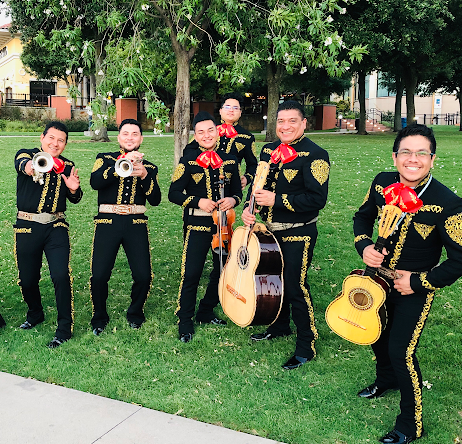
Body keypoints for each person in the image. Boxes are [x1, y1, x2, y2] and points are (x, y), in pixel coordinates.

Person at [353, 124, 462, 444]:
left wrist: (419, 281)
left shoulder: (447, 202)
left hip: (414, 289)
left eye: (422, 153)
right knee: (375, 333)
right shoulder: (381, 184)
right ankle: (386, 379)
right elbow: (361, 218)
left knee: (401, 350)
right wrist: (364, 245)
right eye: (406, 152)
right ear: (395, 157)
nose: (413, 159)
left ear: (432, 159)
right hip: (376, 279)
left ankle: (411, 423)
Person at [242, 100, 328, 370]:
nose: (286, 126)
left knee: (294, 285)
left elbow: (317, 199)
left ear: (304, 123)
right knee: (272, 282)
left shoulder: (316, 154)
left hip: (298, 232)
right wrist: (249, 207)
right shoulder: (268, 149)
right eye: (281, 121)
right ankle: (278, 327)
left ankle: (307, 344)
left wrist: (276, 199)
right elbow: (257, 185)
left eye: (292, 121)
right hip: (266, 231)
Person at [169, 111, 242, 343]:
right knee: (192, 272)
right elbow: (173, 193)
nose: (206, 135)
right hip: (197, 223)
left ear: (217, 130)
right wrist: (197, 201)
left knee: (222, 269)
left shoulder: (230, 159)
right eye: (200, 132)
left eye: (210, 130)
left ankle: (206, 310)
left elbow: (237, 193)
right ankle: (185, 319)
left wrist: (233, 200)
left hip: (224, 223)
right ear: (195, 135)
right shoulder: (187, 160)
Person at [88, 119, 161, 335]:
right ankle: (99, 316)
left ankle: (135, 313)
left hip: (135, 223)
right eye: (126, 133)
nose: (130, 137)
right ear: (119, 137)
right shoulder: (104, 159)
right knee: (99, 275)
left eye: (135, 134)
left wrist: (145, 176)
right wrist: (119, 165)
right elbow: (95, 182)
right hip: (108, 222)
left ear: (141, 138)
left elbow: (155, 199)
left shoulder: (149, 167)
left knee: (143, 275)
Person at [13, 122, 82, 348]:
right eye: (51, 138)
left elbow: (75, 198)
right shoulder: (27, 154)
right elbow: (21, 164)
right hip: (27, 225)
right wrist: (32, 168)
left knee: (61, 275)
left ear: (65, 144)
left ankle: (64, 327)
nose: (55, 143)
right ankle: (35, 314)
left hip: (56, 225)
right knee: (27, 278)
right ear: (42, 138)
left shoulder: (68, 165)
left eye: (60, 140)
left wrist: (73, 188)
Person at [217, 93, 258, 189]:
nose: (231, 110)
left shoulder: (247, 137)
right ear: (220, 111)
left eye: (235, 108)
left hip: (231, 185)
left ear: (240, 112)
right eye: (227, 107)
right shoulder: (208, 131)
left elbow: (253, 164)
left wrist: (247, 178)